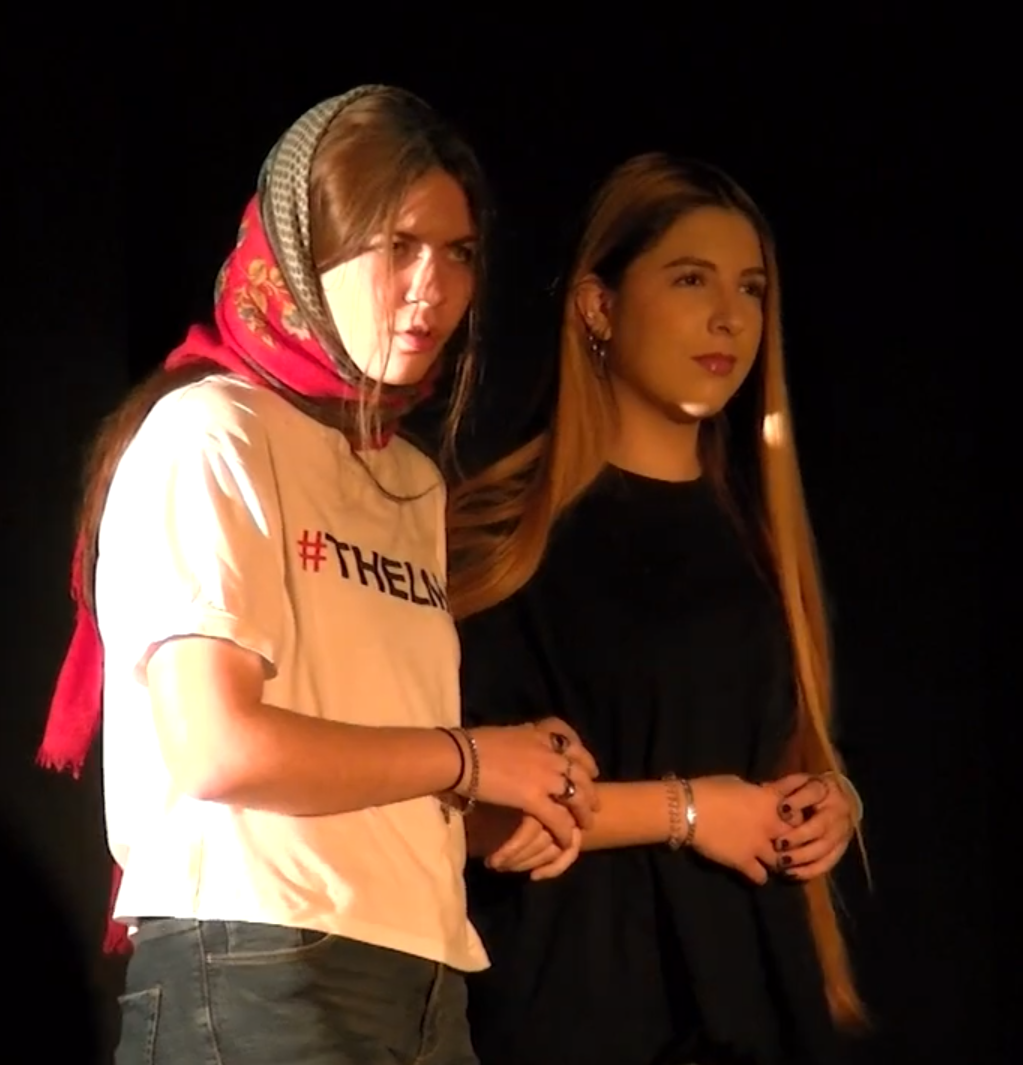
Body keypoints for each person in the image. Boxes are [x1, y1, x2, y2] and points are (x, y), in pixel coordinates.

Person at [34, 85, 602, 1065]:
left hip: (422, 975)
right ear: (305, 251)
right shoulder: (212, 432)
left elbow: (368, 757)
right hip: (252, 963)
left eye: (458, 253)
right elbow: (217, 749)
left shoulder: (410, 479)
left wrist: (499, 807)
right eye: (398, 246)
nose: (432, 287)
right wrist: (472, 758)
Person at [446, 152, 870, 1065]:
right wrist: (689, 811)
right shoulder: (502, 538)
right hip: (577, 1004)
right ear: (597, 306)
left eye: (751, 288)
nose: (730, 317)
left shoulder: (759, 535)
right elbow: (474, 813)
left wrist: (826, 800)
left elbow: (767, 749)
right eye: (690, 279)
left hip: (750, 1001)